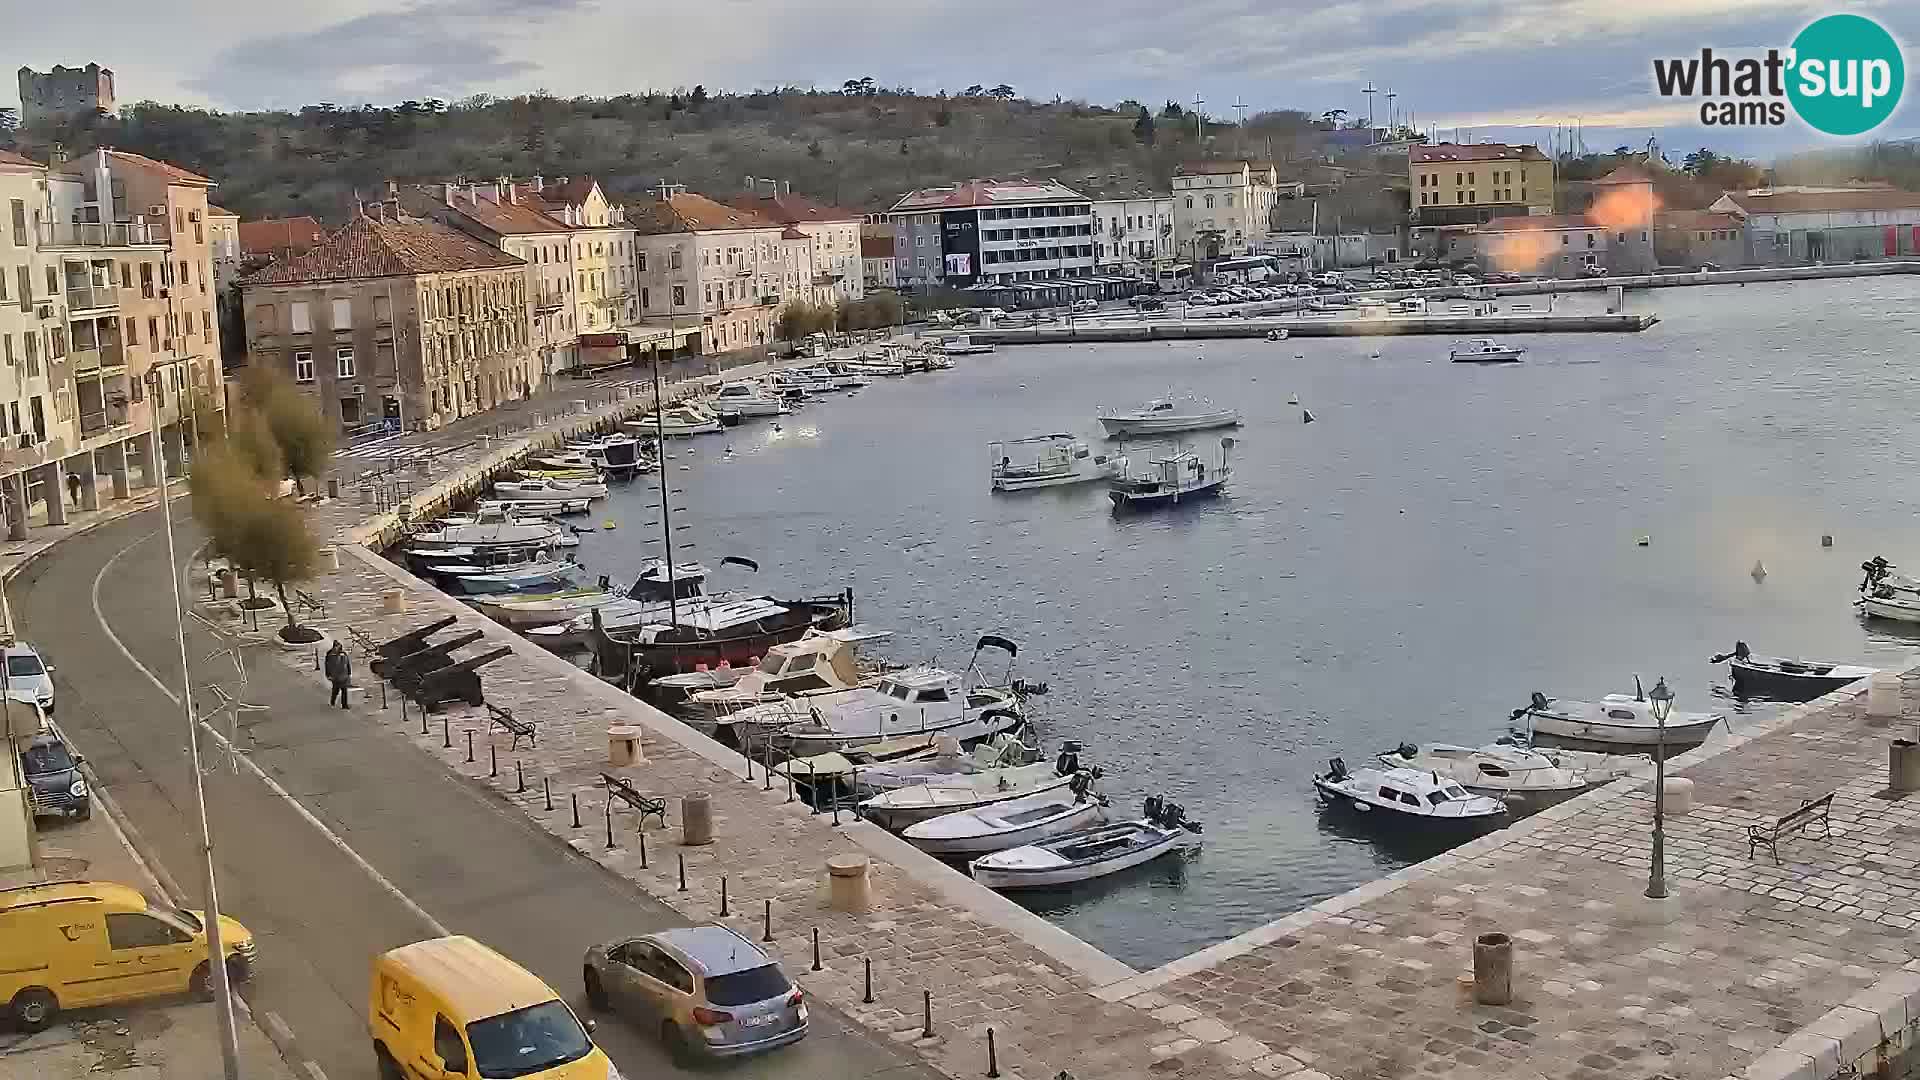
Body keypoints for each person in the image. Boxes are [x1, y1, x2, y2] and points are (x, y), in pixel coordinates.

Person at [324, 641, 352, 709]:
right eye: (336, 646)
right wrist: (328, 674)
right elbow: (327, 665)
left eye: (339, 646)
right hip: (335, 675)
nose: (338, 648)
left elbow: (347, 663)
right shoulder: (330, 655)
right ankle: (332, 702)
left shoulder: (343, 654)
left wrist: (349, 672)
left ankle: (344, 705)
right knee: (336, 690)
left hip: (343, 675)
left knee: (344, 690)